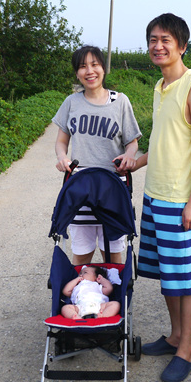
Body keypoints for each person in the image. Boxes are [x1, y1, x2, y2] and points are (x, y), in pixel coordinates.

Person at [130, 13, 191, 382]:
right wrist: (135, 162)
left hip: (179, 201)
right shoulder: (160, 86)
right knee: (167, 275)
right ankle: (175, 336)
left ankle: (186, 351)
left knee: (185, 278)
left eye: (165, 40)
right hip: (154, 196)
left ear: (182, 45)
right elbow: (163, 141)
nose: (158, 46)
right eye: (153, 39)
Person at [52, 45, 142, 265]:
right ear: (77, 73)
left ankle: (115, 289)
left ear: (103, 68)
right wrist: (62, 157)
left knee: (112, 256)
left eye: (94, 64)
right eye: (83, 66)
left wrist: (129, 155)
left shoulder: (120, 101)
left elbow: (132, 142)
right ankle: (81, 288)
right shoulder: (71, 102)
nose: (89, 71)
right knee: (81, 254)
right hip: (80, 188)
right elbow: (61, 141)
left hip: (113, 187)